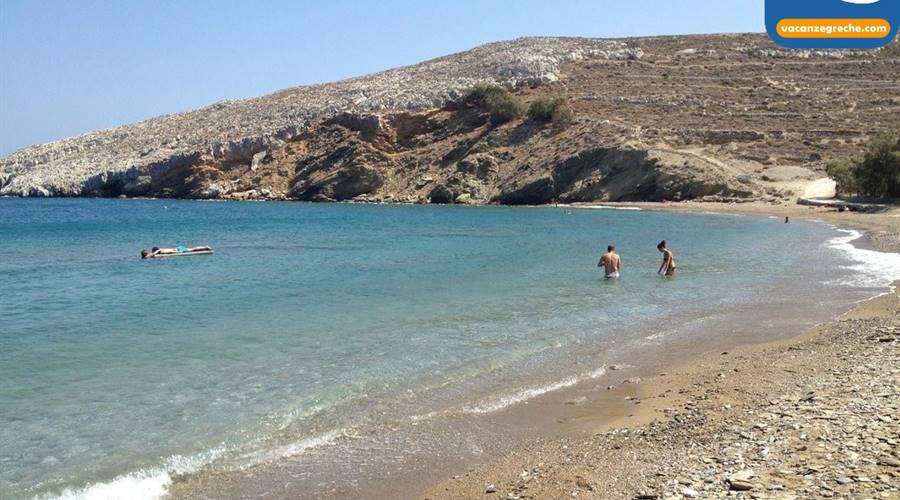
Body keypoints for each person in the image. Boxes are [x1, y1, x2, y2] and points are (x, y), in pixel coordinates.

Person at [141, 245, 212, 259]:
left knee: (192, 249)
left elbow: (153, 254)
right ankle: (205, 247)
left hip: (178, 250)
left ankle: (206, 247)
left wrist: (150, 255)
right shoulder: (160, 250)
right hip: (177, 249)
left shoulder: (159, 251)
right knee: (192, 249)